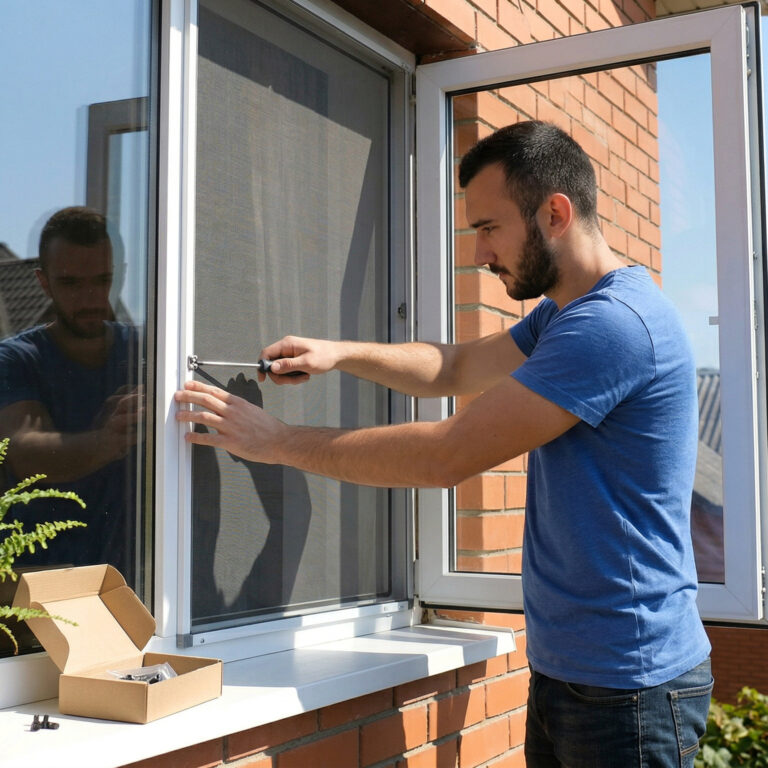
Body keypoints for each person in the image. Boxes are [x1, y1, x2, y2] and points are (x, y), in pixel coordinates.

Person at [175, 120, 712, 767]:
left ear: (555, 212)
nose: (479, 253)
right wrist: (338, 353)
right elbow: (454, 369)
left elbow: (445, 456)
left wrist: (280, 440)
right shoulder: (569, 313)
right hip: (580, 674)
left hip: (628, 689)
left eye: (488, 227)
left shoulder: (612, 328)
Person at [0, 206, 142, 583]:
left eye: (102, 280)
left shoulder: (150, 353)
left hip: (142, 586)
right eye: (71, 283)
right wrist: (109, 440)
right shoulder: (16, 359)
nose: (90, 297)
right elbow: (24, 450)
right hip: (44, 592)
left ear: (122, 275)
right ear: (43, 282)